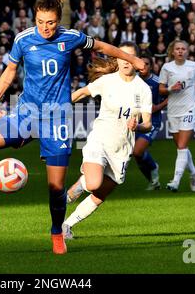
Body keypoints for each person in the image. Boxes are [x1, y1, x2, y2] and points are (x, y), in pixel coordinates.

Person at [0, 0, 146, 255]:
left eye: (51, 22)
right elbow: (10, 71)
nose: (46, 28)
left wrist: (132, 58)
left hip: (57, 120)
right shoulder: (22, 40)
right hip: (26, 113)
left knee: (56, 188)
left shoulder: (71, 37)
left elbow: (102, 46)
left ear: (59, 20)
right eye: (41, 22)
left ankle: (57, 233)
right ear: (35, 19)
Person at [61, 42, 152, 239]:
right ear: (117, 59)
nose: (127, 61)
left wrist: (138, 126)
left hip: (121, 151)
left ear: (136, 61)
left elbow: (148, 124)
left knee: (100, 195)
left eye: (131, 57)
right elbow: (83, 92)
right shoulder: (108, 81)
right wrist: (60, 106)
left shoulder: (143, 89)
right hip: (99, 141)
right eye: (123, 56)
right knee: (94, 183)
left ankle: (67, 225)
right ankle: (78, 187)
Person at [158, 40, 195, 192]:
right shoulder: (166, 67)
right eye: (177, 49)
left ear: (187, 52)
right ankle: (193, 172)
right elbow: (161, 89)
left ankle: (175, 181)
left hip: (189, 108)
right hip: (173, 110)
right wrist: (171, 88)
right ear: (172, 52)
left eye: (183, 49)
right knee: (180, 146)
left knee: (182, 146)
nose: (180, 51)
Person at [132, 54, 168, 191]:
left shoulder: (157, 83)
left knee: (137, 151)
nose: (143, 66)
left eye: (147, 63)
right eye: (141, 63)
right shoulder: (133, 80)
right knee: (137, 156)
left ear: (151, 66)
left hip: (152, 122)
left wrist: (159, 106)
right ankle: (153, 182)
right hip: (135, 122)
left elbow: (169, 97)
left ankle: (154, 167)